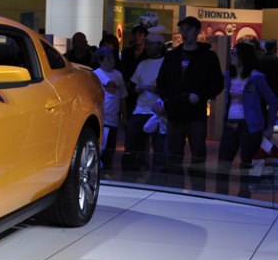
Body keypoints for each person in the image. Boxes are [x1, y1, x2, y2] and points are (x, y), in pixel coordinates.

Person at [157, 16, 225, 174]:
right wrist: (167, 100)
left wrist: (200, 96)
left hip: (196, 113)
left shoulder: (208, 57)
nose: (184, 33)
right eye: (182, 29)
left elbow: (217, 84)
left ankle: (198, 191)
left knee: (198, 156)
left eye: (188, 29)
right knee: (173, 156)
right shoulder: (172, 56)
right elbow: (161, 82)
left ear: (197, 31)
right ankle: (174, 191)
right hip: (174, 112)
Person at [217, 42, 278, 198]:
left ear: (245, 56)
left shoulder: (256, 77)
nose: (232, 56)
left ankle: (244, 198)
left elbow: (272, 101)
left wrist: (270, 127)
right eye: (232, 52)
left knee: (246, 165)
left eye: (235, 53)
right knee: (223, 164)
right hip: (230, 125)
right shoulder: (228, 76)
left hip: (249, 127)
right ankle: (220, 197)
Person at [123, 33, 167, 171]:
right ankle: (131, 173)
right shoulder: (142, 63)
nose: (147, 46)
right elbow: (133, 85)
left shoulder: (166, 63)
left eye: (151, 43)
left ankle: (158, 177)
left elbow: (170, 86)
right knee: (131, 142)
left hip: (158, 111)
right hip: (140, 109)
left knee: (159, 147)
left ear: (160, 45)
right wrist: (137, 88)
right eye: (146, 43)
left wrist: (158, 89)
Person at [93, 45, 127, 171]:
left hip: (114, 118)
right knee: (100, 147)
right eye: (107, 58)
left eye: (112, 58)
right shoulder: (95, 74)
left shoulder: (118, 75)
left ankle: (108, 170)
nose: (111, 60)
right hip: (102, 117)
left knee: (110, 148)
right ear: (100, 60)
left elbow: (122, 96)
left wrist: (124, 116)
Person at [256, 41, 278, 119]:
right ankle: (268, 117)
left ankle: (265, 117)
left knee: (263, 103)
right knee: (277, 101)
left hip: (262, 84)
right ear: (274, 48)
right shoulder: (275, 59)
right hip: (273, 85)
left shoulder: (260, 58)